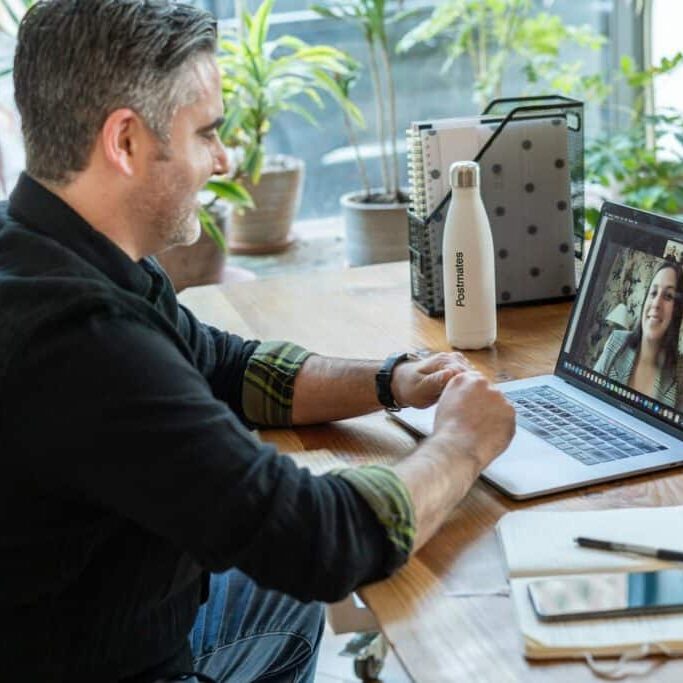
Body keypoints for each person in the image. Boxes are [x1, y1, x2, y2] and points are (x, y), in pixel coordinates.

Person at [0, 1, 515, 682]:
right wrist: (463, 442)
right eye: (206, 133)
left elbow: (226, 364)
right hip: (105, 663)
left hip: (88, 618)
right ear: (123, 141)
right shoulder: (85, 340)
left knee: (279, 600)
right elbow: (318, 540)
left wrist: (390, 378)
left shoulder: (46, 252)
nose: (223, 158)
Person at [594, 260, 683, 407]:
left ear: (678, 310)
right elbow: (589, 394)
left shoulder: (680, 373)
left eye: (668, 296)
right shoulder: (617, 341)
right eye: (653, 293)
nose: (656, 303)